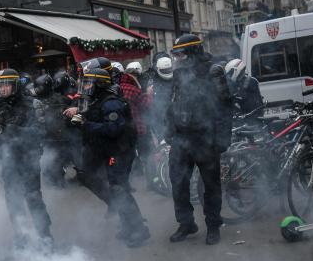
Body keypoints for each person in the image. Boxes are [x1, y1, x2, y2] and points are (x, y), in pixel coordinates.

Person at [65, 67, 151, 248]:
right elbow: (89, 117)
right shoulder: (95, 100)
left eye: (89, 83)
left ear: (99, 84)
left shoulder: (111, 104)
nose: (85, 86)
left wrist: (86, 124)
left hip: (119, 151)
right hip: (104, 150)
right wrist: (76, 116)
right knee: (88, 176)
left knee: (119, 189)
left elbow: (113, 129)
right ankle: (124, 217)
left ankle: (138, 230)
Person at [165, 34, 233, 245]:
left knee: (210, 186)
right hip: (181, 138)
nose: (177, 58)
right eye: (175, 55)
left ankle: (213, 226)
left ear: (193, 52)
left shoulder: (213, 71)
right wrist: (169, 129)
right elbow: (172, 103)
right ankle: (186, 224)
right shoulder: (178, 74)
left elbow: (225, 107)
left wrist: (222, 138)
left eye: (180, 54)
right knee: (178, 182)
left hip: (205, 137)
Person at [0, 68, 53, 249]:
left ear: (15, 85)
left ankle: (45, 237)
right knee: (13, 201)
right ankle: (22, 237)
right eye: (0, 86)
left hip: (29, 157)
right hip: (8, 159)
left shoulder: (33, 105)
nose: (2, 89)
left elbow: (41, 132)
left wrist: (18, 131)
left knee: (33, 197)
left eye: (6, 85)